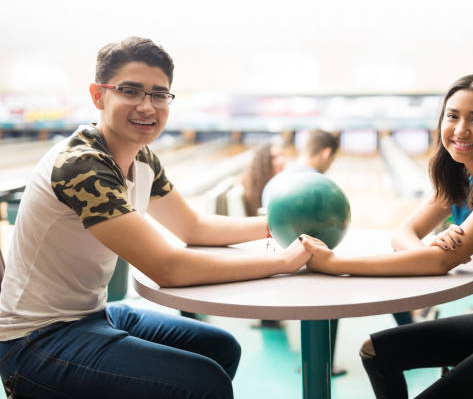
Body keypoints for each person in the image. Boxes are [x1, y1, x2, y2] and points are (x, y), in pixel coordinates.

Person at [0, 37, 310, 399]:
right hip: (36, 339)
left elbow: (193, 227)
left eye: (159, 94)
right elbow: (167, 267)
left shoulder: (142, 158)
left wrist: (278, 226)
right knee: (203, 381)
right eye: (130, 91)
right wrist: (283, 262)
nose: (147, 106)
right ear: (99, 95)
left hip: (92, 315)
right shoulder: (81, 165)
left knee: (221, 347)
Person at [300, 74, 473, 398]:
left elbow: (439, 264)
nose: (461, 129)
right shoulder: (461, 176)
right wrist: (426, 246)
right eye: (453, 116)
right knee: (376, 352)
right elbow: (403, 233)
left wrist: (336, 263)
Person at [261, 129, 339, 208]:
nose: (330, 165)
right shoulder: (323, 188)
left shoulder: (274, 182)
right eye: (332, 160)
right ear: (326, 154)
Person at [241, 143, 286, 217]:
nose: (281, 161)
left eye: (281, 155)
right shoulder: (257, 187)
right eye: (273, 158)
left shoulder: (280, 180)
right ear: (263, 162)